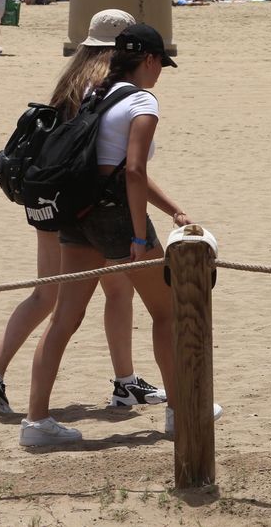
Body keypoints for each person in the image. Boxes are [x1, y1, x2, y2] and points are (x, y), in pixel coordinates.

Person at [20, 24, 215, 446]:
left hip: (78, 212)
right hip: (116, 218)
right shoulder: (142, 101)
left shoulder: (92, 93)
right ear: (148, 60)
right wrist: (141, 233)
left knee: (63, 319)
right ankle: (181, 412)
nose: (161, 70)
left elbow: (112, 166)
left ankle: (35, 423)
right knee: (167, 311)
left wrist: (173, 209)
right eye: (161, 62)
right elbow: (133, 171)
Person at [0, 10, 166, 418]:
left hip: (48, 195)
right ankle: (121, 383)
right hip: (85, 203)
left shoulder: (72, 78)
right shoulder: (109, 84)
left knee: (54, 292)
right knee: (104, 292)